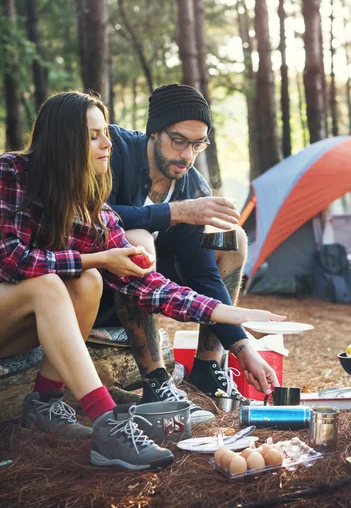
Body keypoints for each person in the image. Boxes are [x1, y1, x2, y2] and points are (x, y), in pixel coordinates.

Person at [0, 91, 285, 470]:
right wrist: (99, 258)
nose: (107, 144)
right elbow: (11, 260)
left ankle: (46, 402)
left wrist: (227, 314)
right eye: (94, 136)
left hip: (23, 323)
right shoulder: (12, 172)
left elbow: (145, 283)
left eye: (106, 133)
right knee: (53, 283)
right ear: (64, 139)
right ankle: (109, 422)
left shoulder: (86, 202)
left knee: (89, 281)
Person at [97, 83, 278, 413]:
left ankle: (208, 367)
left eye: (198, 144)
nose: (186, 155)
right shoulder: (113, 151)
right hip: (95, 283)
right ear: (154, 131)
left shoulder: (192, 184)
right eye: (178, 141)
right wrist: (174, 212)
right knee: (138, 240)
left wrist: (242, 347)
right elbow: (90, 215)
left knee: (231, 238)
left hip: (160, 289)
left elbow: (202, 271)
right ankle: (156, 381)